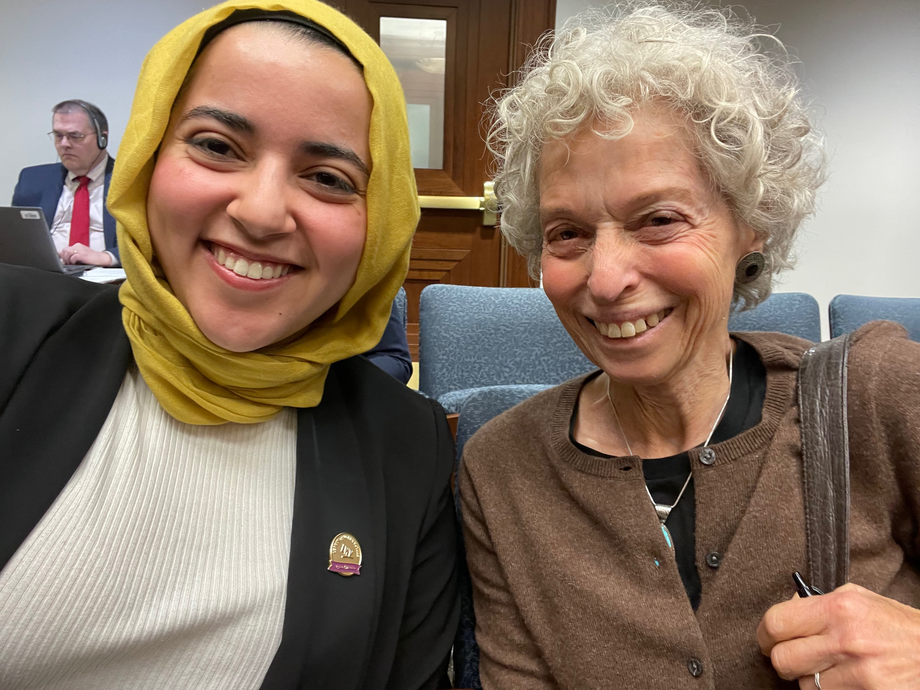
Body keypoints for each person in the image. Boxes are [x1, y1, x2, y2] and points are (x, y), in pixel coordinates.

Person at [460, 3, 920, 688]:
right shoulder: (502, 472)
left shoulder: (876, 395)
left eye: (659, 220)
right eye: (567, 233)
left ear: (751, 225)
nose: (607, 279)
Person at [0, 2, 457, 688]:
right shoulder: (12, 328)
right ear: (149, 157)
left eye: (328, 178)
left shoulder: (409, 448)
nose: (262, 212)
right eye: (217, 145)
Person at [12, 99, 120, 266]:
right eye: (58, 136)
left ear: (102, 139)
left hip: (106, 281)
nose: (64, 144)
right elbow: (16, 240)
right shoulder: (32, 179)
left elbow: (150, 244)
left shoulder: (129, 181)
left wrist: (107, 257)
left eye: (75, 136)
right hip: (45, 278)